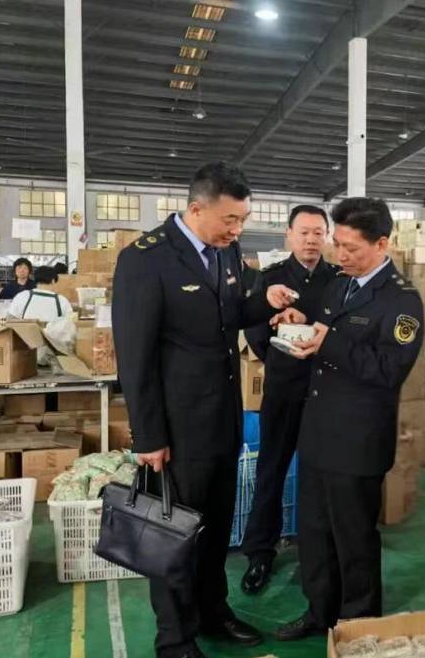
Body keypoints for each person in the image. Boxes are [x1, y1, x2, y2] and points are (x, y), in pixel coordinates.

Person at [111, 161, 298, 658]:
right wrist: (149, 436)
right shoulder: (145, 259)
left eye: (243, 220)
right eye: (230, 220)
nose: (237, 230)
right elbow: (134, 357)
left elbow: (231, 314)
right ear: (197, 209)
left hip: (223, 421)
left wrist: (267, 301)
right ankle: (175, 638)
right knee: (174, 534)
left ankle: (213, 612)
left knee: (215, 527)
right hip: (177, 430)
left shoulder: (226, 251)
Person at [272, 197, 425, 640]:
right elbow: (324, 329)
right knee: (314, 532)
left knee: (353, 538)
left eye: (351, 248)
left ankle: (359, 624)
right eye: (336, 244)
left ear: (382, 244)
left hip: (358, 440)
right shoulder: (340, 285)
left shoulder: (401, 301)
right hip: (319, 431)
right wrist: (300, 324)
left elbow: (390, 370)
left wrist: (329, 343)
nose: (340, 255)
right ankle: (319, 611)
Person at [240, 205, 339, 594]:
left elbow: (342, 328)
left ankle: (322, 551)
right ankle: (259, 553)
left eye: (318, 233)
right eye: (304, 232)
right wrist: (277, 343)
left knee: (323, 474)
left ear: (327, 236)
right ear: (289, 235)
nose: (311, 240)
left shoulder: (338, 280)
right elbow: (253, 330)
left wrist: (308, 327)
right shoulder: (271, 278)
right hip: (283, 389)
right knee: (271, 470)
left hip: (326, 392)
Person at [8, 265, 72, 321]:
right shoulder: (62, 300)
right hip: (52, 331)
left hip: (25, 331)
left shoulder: (22, 296)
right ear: (53, 281)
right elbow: (69, 322)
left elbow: (10, 318)